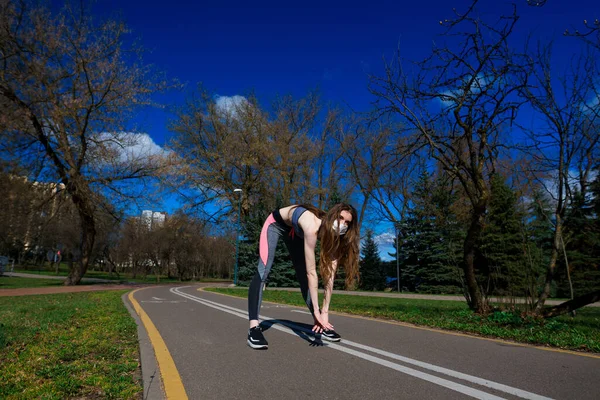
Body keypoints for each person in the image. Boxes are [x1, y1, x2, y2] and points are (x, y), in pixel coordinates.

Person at [247, 203, 360, 349]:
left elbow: (329, 276)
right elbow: (311, 272)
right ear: (332, 215)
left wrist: (324, 312)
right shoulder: (311, 225)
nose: (342, 224)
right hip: (275, 225)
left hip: (295, 232)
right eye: (340, 218)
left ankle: (320, 323)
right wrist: (317, 311)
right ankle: (253, 328)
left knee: (303, 278)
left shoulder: (335, 238)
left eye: (347, 222)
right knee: (263, 271)